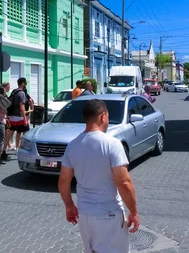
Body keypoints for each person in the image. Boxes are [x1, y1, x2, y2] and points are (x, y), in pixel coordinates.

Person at [58, 99, 139, 253]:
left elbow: (63, 181)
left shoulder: (73, 145)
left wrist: (69, 206)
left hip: (85, 215)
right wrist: (133, 212)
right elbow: (124, 182)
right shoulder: (112, 144)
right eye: (107, 116)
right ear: (102, 116)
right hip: (109, 215)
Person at [2, 77, 30, 158]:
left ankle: (3, 151)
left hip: (12, 118)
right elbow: (22, 107)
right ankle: (23, 150)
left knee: (9, 135)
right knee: (26, 135)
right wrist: (25, 119)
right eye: (25, 83)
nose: (25, 84)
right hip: (20, 118)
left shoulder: (14, 91)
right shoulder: (21, 93)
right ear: (23, 83)